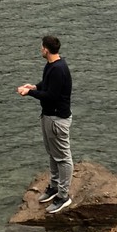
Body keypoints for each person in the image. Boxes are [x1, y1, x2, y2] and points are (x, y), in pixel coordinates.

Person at [16, 34, 73, 214]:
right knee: (52, 153)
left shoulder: (59, 69)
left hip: (57, 119)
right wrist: (34, 87)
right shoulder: (51, 65)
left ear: (46, 49)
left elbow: (52, 96)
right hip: (49, 117)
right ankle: (54, 187)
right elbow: (47, 85)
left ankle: (63, 196)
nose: (40, 49)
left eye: (41, 47)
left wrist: (29, 93)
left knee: (63, 157)